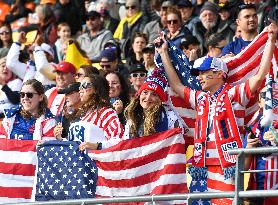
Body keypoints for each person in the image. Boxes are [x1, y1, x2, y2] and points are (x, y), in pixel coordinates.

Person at [154, 22, 277, 204]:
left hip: (228, 165)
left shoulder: (234, 94)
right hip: (201, 166)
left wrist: (271, 39)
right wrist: (164, 53)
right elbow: (176, 85)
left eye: (204, 73)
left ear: (219, 73)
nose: (200, 77)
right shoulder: (201, 98)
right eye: (199, 74)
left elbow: (259, 76)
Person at [67, 74, 124, 150]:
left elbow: (119, 139)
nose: (80, 89)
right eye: (80, 86)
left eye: (85, 85)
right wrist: (60, 138)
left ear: (97, 89)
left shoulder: (106, 112)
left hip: (97, 160)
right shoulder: (82, 114)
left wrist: (98, 146)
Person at [124, 68, 184, 139]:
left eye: (154, 94)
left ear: (160, 99)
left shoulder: (169, 117)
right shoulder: (132, 115)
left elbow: (177, 142)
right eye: (145, 92)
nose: (148, 98)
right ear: (139, 95)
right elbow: (126, 142)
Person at [0, 52, 22, 118]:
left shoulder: (17, 82)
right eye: (3, 66)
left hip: (9, 119)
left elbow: (15, 100)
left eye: (8, 67)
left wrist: (4, 85)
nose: (5, 68)